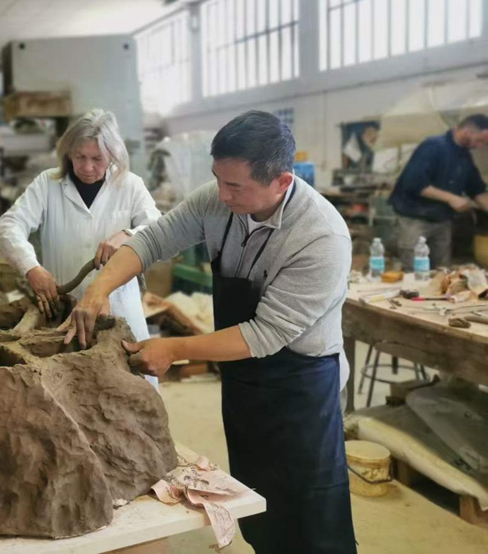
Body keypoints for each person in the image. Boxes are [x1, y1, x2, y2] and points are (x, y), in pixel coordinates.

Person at [62, 111, 356, 554]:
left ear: (280, 181)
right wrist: (98, 289)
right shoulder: (217, 200)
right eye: (218, 179)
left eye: (235, 186)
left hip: (300, 382)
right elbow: (150, 240)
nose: (222, 194)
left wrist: (175, 348)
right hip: (243, 375)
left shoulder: (321, 237)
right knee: (257, 498)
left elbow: (265, 334)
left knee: (309, 507)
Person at [0, 109, 161, 375]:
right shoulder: (47, 184)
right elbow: (9, 226)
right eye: (79, 157)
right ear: (67, 153)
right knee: (69, 388)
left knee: (130, 387)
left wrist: (129, 236)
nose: (87, 167)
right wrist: (31, 268)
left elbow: (158, 228)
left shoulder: (130, 185)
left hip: (118, 309)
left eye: (97, 159)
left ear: (113, 155)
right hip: (63, 311)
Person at [389, 114, 488, 270]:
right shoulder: (433, 146)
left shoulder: (465, 156)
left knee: (442, 272)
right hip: (416, 219)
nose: (481, 146)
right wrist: (452, 199)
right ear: (468, 131)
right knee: (415, 270)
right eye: (481, 140)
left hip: (442, 220)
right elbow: (415, 183)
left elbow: (477, 191)